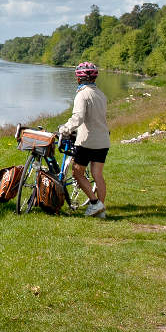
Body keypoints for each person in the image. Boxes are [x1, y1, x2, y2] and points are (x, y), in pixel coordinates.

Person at [59, 61, 109, 218]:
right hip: (103, 141)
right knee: (97, 175)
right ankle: (100, 210)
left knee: (77, 173)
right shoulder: (101, 94)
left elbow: (78, 118)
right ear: (94, 78)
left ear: (79, 79)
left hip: (87, 141)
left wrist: (64, 129)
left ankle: (94, 203)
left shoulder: (82, 94)